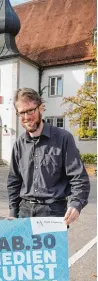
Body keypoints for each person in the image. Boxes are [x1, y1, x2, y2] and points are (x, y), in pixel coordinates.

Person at [7, 88, 90, 224]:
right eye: (21, 112)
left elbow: (78, 177)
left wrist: (76, 204)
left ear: (41, 108)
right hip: (24, 212)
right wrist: (13, 211)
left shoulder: (63, 138)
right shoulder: (19, 144)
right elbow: (14, 181)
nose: (26, 117)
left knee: (51, 247)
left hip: (53, 212)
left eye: (30, 111)